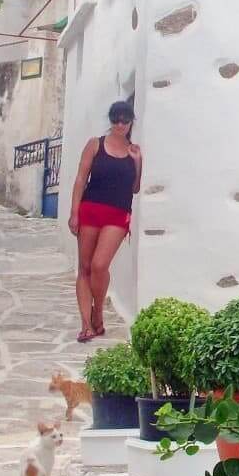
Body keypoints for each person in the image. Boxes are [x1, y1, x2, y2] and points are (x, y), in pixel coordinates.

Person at [68, 101, 142, 342]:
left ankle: (98, 310)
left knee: (100, 265)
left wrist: (138, 162)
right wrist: (74, 212)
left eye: (125, 120)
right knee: (85, 267)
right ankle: (86, 325)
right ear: (110, 120)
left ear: (131, 122)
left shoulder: (134, 151)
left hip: (118, 214)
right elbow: (80, 179)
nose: (120, 124)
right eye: (115, 119)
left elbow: (135, 187)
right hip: (90, 209)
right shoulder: (95, 145)